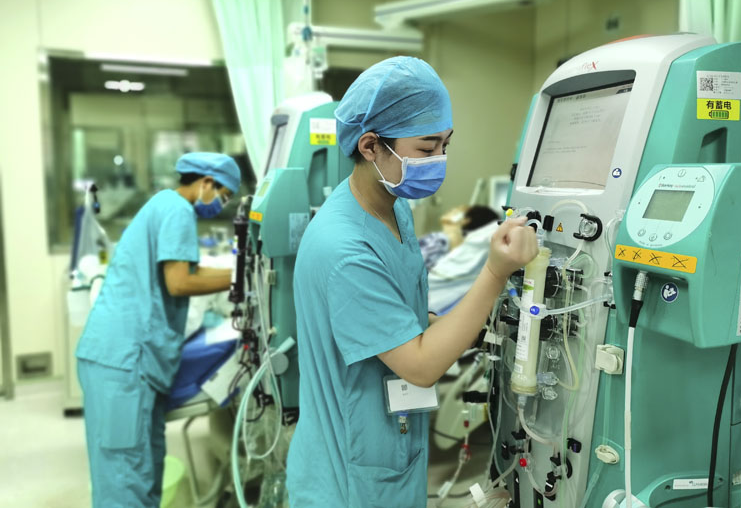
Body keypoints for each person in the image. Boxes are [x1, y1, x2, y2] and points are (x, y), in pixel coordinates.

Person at [285, 56, 538, 507]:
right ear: (370, 146)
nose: (440, 159)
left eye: (445, 144)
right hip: (348, 481)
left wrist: (453, 326)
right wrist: (494, 272)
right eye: (426, 148)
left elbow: (399, 311)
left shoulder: (392, 207)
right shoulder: (345, 249)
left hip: (387, 447)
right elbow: (420, 365)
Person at [76, 152, 241, 507]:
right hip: (123, 362)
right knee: (125, 481)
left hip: (129, 361)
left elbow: (186, 274)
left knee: (145, 471)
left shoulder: (164, 205)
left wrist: (235, 272)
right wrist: (239, 277)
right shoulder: (177, 210)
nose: (222, 204)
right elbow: (179, 282)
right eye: (224, 195)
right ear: (207, 183)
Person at [418, 204, 500, 270]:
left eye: (458, 209)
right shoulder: (458, 252)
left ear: (465, 220)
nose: (452, 209)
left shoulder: (440, 241)